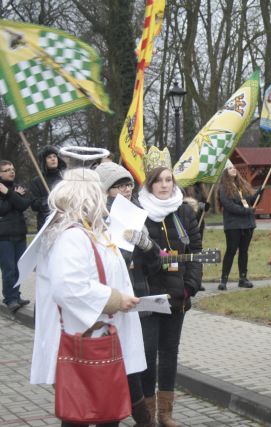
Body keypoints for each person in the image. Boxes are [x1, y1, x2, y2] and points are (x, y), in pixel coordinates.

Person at [29, 167, 146, 427]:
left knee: (106, 410)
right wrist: (115, 299)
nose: (104, 201)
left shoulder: (94, 231)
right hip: (85, 337)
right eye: (100, 194)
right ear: (89, 196)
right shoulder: (71, 236)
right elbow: (68, 286)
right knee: (82, 413)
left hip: (100, 334)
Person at [137, 166, 203, 426]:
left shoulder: (183, 211)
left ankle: (166, 413)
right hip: (148, 295)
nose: (164, 185)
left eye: (168, 180)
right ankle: (146, 414)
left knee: (169, 353)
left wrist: (191, 286)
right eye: (158, 181)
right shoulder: (139, 212)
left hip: (178, 295)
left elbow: (196, 250)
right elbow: (132, 255)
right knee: (147, 351)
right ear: (149, 184)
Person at [95, 161, 158, 426]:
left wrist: (146, 244)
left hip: (139, 298)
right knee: (115, 366)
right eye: (118, 186)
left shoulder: (139, 216)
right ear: (105, 192)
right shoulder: (97, 222)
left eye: (128, 184)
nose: (126, 190)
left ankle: (144, 418)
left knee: (138, 361)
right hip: (109, 305)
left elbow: (156, 264)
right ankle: (114, 417)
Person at [217, 161, 262, 290]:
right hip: (233, 225)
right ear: (225, 172)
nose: (233, 169)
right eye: (230, 168)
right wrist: (246, 211)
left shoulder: (243, 185)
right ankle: (223, 280)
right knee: (231, 251)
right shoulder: (224, 188)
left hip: (248, 224)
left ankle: (243, 278)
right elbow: (229, 206)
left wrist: (260, 192)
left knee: (244, 251)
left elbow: (252, 201)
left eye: (233, 167)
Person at [0, 160, 31, 312]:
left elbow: (24, 205)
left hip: (20, 234)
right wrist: (14, 197)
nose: (11, 172)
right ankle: (10, 298)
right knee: (9, 269)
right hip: (4, 237)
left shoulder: (18, 187)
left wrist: (9, 194)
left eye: (12, 169)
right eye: (6, 170)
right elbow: (3, 209)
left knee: (19, 268)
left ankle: (17, 296)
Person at [30, 145, 66, 230]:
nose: (53, 159)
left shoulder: (65, 178)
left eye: (54, 156)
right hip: (46, 224)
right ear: (44, 161)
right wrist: (50, 200)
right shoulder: (37, 181)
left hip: (64, 223)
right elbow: (34, 205)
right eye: (49, 157)